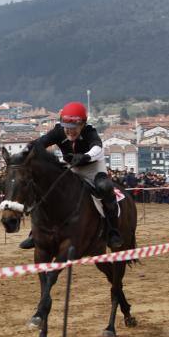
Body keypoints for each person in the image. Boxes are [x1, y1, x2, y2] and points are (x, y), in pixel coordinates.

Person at [19, 101, 122, 251]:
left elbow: (98, 148)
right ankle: (34, 234)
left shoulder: (89, 131)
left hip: (93, 168)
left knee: (104, 187)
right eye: (67, 128)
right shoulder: (58, 131)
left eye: (74, 128)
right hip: (72, 168)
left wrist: (85, 156)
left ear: (83, 125)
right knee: (48, 190)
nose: (70, 132)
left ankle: (113, 231)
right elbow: (41, 143)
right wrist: (25, 151)